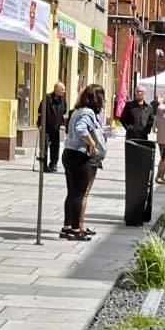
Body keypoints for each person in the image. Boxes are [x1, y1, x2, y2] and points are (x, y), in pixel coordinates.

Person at [61, 84, 107, 241]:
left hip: (69, 152)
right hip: (79, 155)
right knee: (79, 194)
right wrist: (92, 144)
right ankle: (75, 230)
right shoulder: (88, 112)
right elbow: (81, 129)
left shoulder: (77, 111)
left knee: (72, 192)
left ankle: (67, 227)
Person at [41, 82, 68, 173]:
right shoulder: (47, 98)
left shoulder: (63, 100)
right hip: (46, 128)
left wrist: (63, 124)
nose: (64, 91)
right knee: (44, 147)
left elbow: (64, 113)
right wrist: (40, 124)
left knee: (55, 147)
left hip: (56, 129)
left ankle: (53, 165)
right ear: (56, 89)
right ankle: (43, 166)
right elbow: (40, 111)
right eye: (62, 89)